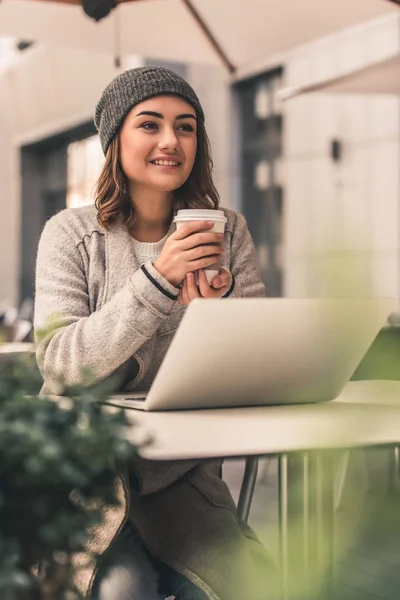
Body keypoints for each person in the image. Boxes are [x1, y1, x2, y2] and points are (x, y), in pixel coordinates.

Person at [34, 66, 277, 600]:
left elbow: (252, 367)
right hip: (84, 479)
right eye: (150, 124)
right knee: (123, 589)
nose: (171, 140)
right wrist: (157, 279)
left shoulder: (227, 229)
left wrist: (216, 318)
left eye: (186, 126)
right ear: (115, 139)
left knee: (252, 585)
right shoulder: (71, 235)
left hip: (183, 482)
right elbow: (58, 362)